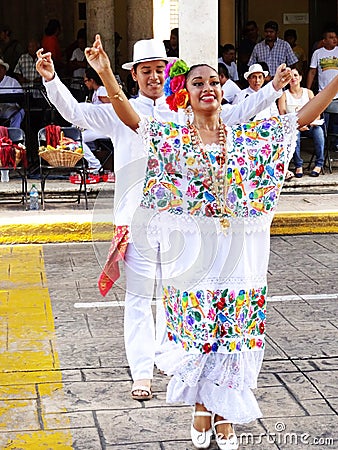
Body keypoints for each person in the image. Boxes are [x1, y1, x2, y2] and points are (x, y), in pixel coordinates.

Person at [84, 34, 338, 450]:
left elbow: (302, 118)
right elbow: (130, 117)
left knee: (234, 334)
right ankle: (205, 407)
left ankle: (221, 414)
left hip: (240, 260)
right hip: (194, 259)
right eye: (198, 82)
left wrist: (336, 83)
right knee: (201, 335)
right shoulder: (173, 139)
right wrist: (106, 72)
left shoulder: (244, 139)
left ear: (223, 91)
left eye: (214, 82)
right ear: (186, 93)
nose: (207, 88)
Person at [36, 38, 290, 404]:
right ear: (135, 75)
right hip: (137, 221)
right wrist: (50, 80)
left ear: (167, 73)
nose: (154, 76)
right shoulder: (119, 110)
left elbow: (235, 115)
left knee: (178, 297)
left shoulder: (181, 114)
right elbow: (75, 114)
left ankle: (170, 361)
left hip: (181, 225)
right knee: (140, 298)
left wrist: (272, 90)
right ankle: (141, 372)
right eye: (146, 70)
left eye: (159, 69)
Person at [278, 68, 325, 177]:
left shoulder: (308, 93)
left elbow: (317, 112)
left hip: (309, 125)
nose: (293, 78)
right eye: (290, 76)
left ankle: (319, 164)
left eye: (295, 75)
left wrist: (310, 123)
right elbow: (283, 116)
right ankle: (298, 165)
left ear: (300, 77)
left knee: (319, 131)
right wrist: (297, 126)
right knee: (294, 134)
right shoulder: (283, 95)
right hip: (293, 127)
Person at [81, 67, 110, 170]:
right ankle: (92, 163)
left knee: (78, 140)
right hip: (99, 127)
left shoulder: (101, 91)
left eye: (85, 81)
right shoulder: (95, 93)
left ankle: (95, 165)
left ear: (91, 80)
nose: (85, 83)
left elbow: (113, 107)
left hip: (105, 128)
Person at [0, 58, 25, 128]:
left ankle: (14, 136)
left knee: (19, 113)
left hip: (9, 109)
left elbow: (20, 96)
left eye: (1, 68)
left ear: (5, 71)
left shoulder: (12, 81)